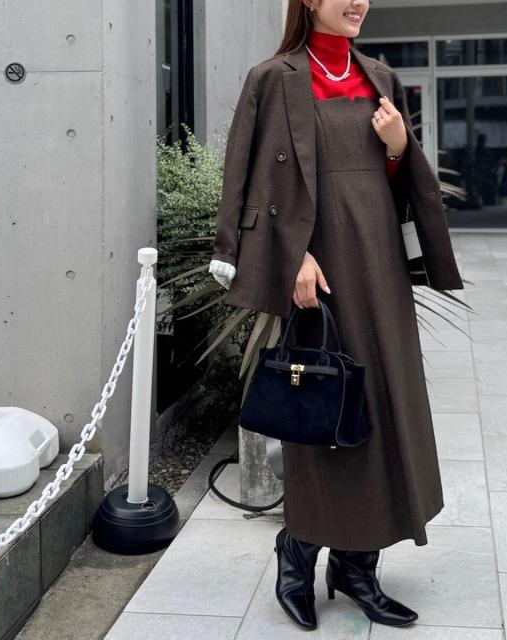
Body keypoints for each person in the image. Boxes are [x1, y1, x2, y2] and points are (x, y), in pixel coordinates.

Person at [209, 0, 464, 631]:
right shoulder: (273, 79)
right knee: (326, 408)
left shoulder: (380, 76)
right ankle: (298, 551)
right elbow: (247, 175)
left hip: (379, 264)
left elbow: (398, 185)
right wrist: (291, 257)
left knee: (382, 406)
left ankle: (357, 567)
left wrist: (399, 147)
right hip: (320, 270)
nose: (357, 2)